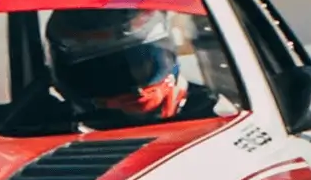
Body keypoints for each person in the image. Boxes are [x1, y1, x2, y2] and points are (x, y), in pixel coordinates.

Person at [44, 7, 228, 130]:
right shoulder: (47, 129)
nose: (137, 89)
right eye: (110, 75)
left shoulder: (215, 113)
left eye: (142, 65)